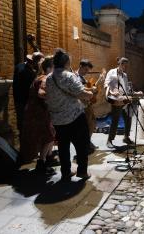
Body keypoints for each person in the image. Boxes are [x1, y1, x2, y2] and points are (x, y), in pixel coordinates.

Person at [45, 48, 94, 181]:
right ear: (67, 63)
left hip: (57, 119)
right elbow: (82, 93)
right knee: (82, 145)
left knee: (63, 146)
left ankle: (66, 172)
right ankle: (82, 171)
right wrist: (90, 93)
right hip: (74, 117)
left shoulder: (49, 78)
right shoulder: (68, 76)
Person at [20, 56, 56, 174]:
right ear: (50, 68)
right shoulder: (45, 78)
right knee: (50, 137)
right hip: (39, 113)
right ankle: (41, 163)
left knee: (46, 137)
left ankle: (46, 161)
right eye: (55, 68)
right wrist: (54, 97)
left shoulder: (38, 77)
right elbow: (41, 93)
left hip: (34, 112)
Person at [104, 57, 135, 148]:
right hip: (116, 100)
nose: (125, 68)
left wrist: (132, 93)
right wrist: (111, 92)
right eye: (124, 66)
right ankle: (109, 140)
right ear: (120, 64)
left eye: (126, 66)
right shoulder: (112, 72)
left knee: (128, 119)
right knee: (115, 120)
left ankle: (126, 137)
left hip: (124, 100)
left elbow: (126, 88)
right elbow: (106, 84)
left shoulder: (124, 75)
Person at [13, 52, 44, 137]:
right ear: (33, 62)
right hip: (24, 102)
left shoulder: (19, 65)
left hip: (20, 101)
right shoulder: (28, 72)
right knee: (25, 126)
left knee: (23, 125)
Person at [75, 59, 98, 150]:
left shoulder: (82, 77)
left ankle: (87, 141)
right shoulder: (75, 77)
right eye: (86, 69)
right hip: (81, 106)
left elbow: (87, 88)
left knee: (92, 123)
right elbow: (80, 91)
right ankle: (85, 144)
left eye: (88, 70)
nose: (87, 72)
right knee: (86, 126)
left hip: (87, 104)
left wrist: (93, 89)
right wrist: (91, 89)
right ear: (80, 66)